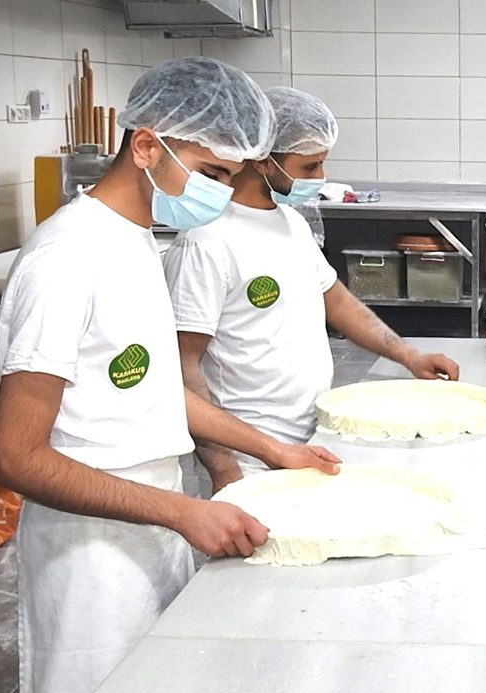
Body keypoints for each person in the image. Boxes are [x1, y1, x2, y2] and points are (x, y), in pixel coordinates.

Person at [0, 58, 341, 693]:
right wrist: (181, 511)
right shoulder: (65, 258)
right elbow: (15, 459)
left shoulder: (137, 241)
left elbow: (157, 391)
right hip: (88, 555)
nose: (222, 194)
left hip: (153, 519)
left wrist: (272, 450)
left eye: (232, 177)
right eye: (211, 173)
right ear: (147, 146)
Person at [164, 86, 460, 492]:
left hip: (312, 436)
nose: (320, 179)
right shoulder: (207, 240)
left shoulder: (290, 222)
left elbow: (336, 300)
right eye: (309, 167)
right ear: (264, 160)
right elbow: (182, 368)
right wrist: (223, 467)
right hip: (252, 459)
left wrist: (409, 356)